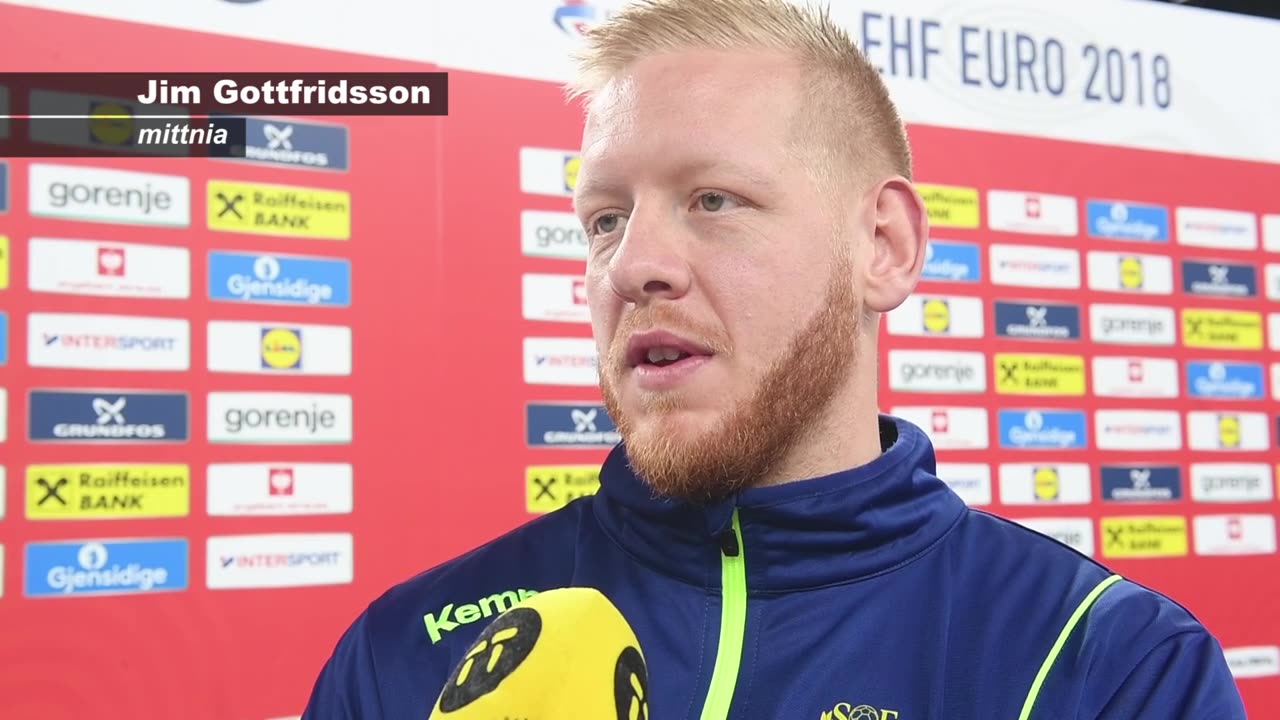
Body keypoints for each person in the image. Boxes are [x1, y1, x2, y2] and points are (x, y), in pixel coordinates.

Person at [301, 0, 1247, 717]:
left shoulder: (1113, 668)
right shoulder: (405, 656)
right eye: (606, 218)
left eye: (713, 200)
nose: (632, 264)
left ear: (883, 246)